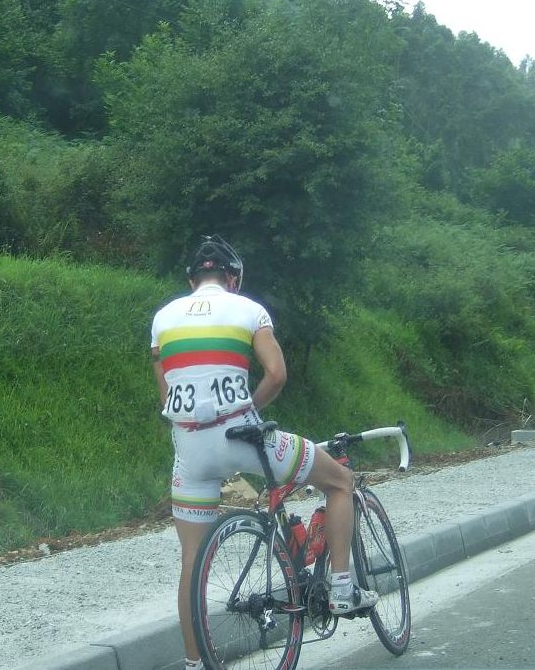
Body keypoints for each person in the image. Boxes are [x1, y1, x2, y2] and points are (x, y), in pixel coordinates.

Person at [150, 234, 378, 670]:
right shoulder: (249, 310)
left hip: (190, 451)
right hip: (245, 439)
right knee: (340, 481)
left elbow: (166, 394)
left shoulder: (163, 319)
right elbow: (276, 375)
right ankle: (343, 588)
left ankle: (195, 665)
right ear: (233, 278)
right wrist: (246, 409)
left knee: (192, 565)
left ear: (192, 279)